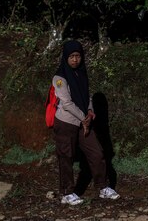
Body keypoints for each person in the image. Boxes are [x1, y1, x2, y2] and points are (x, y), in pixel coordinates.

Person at [52, 40, 120, 205]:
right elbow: (66, 103)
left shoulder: (81, 73)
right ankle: (67, 193)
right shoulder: (59, 78)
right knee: (66, 156)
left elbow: (86, 96)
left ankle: (103, 187)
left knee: (96, 152)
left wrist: (89, 111)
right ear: (66, 58)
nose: (75, 60)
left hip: (84, 121)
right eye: (71, 56)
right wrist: (84, 119)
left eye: (78, 56)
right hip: (66, 123)